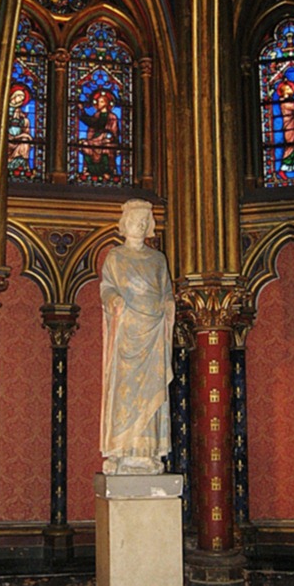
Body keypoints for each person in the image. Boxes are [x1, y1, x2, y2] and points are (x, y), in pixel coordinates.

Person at [100, 199, 175, 475]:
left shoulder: (157, 259)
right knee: (125, 394)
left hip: (153, 334)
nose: (140, 226)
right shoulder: (115, 257)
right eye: (135, 221)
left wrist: (168, 305)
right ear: (125, 224)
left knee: (151, 393)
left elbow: (166, 291)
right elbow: (107, 288)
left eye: (145, 222)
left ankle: (147, 452)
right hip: (127, 335)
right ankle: (122, 451)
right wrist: (114, 300)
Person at [77, 88, 119, 178]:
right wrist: (82, 110)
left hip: (106, 140)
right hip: (94, 139)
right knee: (85, 144)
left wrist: (109, 138)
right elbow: (91, 122)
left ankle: (107, 171)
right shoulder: (96, 115)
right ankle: (90, 170)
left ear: (106, 103)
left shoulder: (112, 117)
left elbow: (114, 132)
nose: (98, 104)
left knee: (106, 148)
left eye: (101, 102)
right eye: (98, 102)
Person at [7, 83, 32, 171]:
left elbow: (25, 130)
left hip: (17, 139)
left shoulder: (21, 115)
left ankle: (21, 163)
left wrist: (23, 135)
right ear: (14, 95)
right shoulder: (4, 110)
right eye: (20, 96)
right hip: (7, 138)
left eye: (23, 98)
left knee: (25, 140)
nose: (21, 99)